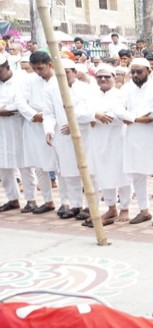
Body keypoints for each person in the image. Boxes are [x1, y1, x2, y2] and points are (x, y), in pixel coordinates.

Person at [121, 58, 153, 227]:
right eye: (133, 72)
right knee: (137, 173)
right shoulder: (126, 88)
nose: (135, 75)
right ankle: (144, 210)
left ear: (149, 71)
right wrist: (136, 118)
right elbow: (118, 109)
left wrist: (134, 118)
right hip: (133, 136)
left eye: (139, 71)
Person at [42, 58, 94, 219]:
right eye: (60, 74)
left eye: (67, 73)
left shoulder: (87, 89)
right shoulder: (51, 90)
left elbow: (92, 111)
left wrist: (75, 123)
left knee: (88, 172)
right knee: (69, 172)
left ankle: (89, 206)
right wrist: (49, 130)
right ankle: (75, 205)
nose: (64, 76)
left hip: (85, 135)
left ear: (75, 73)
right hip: (63, 137)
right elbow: (48, 113)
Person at [84, 64, 132, 227]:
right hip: (97, 141)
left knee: (122, 173)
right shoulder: (90, 95)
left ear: (114, 77)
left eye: (107, 76)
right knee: (102, 174)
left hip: (118, 139)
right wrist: (94, 115)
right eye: (99, 77)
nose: (103, 79)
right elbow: (80, 113)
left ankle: (125, 207)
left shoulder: (121, 95)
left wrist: (97, 117)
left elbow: (122, 116)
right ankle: (111, 208)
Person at [16, 51, 58, 214]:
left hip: (56, 125)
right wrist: (34, 116)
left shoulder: (59, 80)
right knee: (40, 166)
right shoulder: (29, 80)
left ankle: (69, 203)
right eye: (34, 69)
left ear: (50, 64)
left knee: (60, 166)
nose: (38, 72)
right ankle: (48, 201)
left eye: (40, 68)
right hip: (34, 125)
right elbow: (20, 101)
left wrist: (49, 116)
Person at [0, 53, 32, 212]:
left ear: (7, 67)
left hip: (18, 127)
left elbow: (24, 102)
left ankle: (31, 200)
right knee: (3, 167)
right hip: (1, 129)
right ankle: (12, 199)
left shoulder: (21, 80)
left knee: (24, 165)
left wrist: (8, 109)